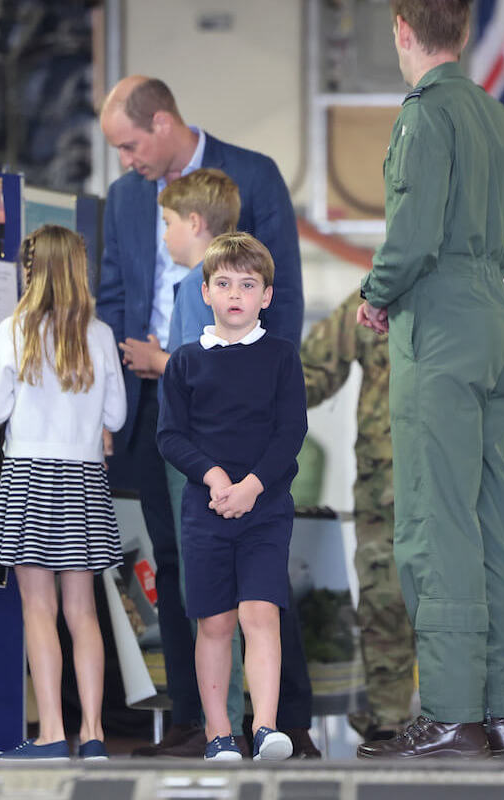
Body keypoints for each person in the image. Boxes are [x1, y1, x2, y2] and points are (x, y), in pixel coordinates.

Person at [97, 75, 316, 758]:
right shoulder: (125, 198)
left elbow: (283, 294)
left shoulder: (253, 177)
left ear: (163, 123)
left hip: (237, 403)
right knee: (179, 563)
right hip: (156, 407)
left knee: (261, 571)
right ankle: (200, 723)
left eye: (131, 145)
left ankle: (285, 724)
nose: (126, 161)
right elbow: (110, 294)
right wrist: (108, 392)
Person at [355, 0, 504, 760]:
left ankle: (453, 713)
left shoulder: (422, 118)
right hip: (495, 318)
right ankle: (498, 712)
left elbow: (412, 234)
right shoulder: (500, 119)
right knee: (493, 517)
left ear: (403, 29)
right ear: (463, 31)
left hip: (441, 329)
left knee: (435, 519)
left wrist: (376, 292)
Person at [0, 225, 126, 761]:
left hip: (29, 478)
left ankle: (49, 736)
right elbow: (117, 416)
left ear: (32, 271)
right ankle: (93, 735)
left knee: (38, 610)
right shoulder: (101, 334)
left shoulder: (14, 330)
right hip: (85, 477)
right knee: (82, 613)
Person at [157, 232, 307, 761]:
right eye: (224, 283)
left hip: (265, 510)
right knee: (215, 622)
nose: (235, 293)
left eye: (248, 284)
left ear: (267, 295)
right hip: (206, 510)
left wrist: (252, 487)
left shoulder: (282, 358)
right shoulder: (184, 362)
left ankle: (265, 727)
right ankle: (220, 733)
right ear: (204, 292)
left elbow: (290, 433)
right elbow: (170, 435)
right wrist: (216, 478)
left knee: (260, 613)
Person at [298, 289, 415, 742]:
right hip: (384, 479)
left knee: (453, 600)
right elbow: (314, 370)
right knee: (384, 596)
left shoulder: (470, 286)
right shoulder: (376, 293)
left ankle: (458, 719)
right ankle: (389, 722)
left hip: (452, 475)